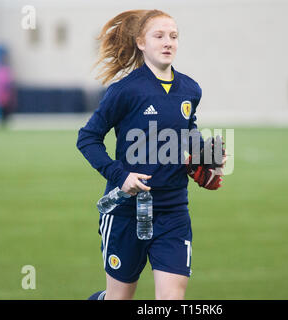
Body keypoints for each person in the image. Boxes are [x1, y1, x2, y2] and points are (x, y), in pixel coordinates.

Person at [77, 10, 225, 300]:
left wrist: (203, 157)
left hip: (173, 211)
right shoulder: (124, 91)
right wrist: (121, 176)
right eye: (159, 36)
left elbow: (187, 130)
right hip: (126, 212)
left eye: (173, 36)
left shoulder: (190, 89)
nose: (168, 42)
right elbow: (88, 138)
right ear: (141, 43)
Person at [0, 51, 16, 128]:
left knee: (6, 110)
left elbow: (10, 83)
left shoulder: (7, 70)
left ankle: (5, 123)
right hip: (0, 94)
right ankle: (1, 123)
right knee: (1, 110)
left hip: (6, 94)